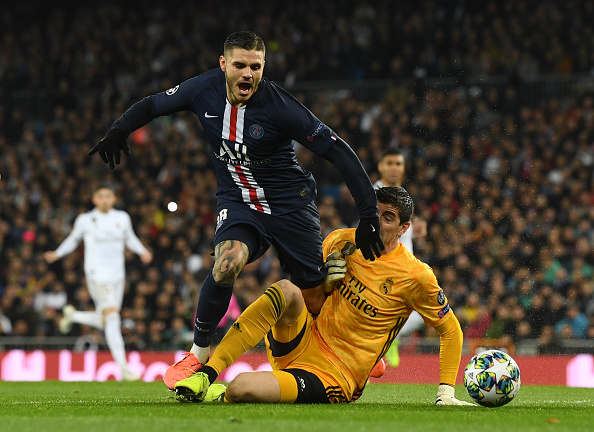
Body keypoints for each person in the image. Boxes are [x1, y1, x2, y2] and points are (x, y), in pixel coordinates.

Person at [88, 31, 384, 389]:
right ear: (223, 64)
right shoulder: (203, 90)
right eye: (240, 65)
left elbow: (338, 151)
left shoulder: (281, 107)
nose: (248, 74)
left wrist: (368, 214)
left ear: (263, 67)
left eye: (256, 67)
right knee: (226, 263)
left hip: (290, 205)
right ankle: (198, 354)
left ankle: (357, 344)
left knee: (314, 296)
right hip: (238, 201)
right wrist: (119, 129)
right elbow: (152, 105)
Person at [173, 187, 473, 406]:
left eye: (389, 218)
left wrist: (445, 393)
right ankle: (207, 374)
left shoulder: (415, 275)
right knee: (286, 289)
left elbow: (451, 330)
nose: (377, 222)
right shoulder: (341, 241)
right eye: (375, 213)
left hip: (335, 375)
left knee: (240, 388)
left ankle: (219, 394)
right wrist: (325, 286)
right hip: (304, 340)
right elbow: (310, 300)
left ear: (404, 228)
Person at [43, 184, 153, 381]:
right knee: (112, 317)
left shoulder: (122, 218)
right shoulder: (85, 220)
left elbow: (131, 239)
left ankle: (74, 315)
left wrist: (142, 251)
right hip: (96, 275)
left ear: (114, 199)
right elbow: (73, 240)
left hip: (117, 276)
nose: (104, 199)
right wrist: (57, 254)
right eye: (100, 196)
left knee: (108, 319)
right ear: (94, 199)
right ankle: (124, 367)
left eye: (108, 196)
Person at [373, 149, 427, 367]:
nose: (394, 167)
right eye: (390, 162)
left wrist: (417, 226)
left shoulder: (403, 194)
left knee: (423, 313)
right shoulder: (375, 194)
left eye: (398, 163)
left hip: (407, 266)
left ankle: (389, 337)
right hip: (386, 266)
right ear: (381, 167)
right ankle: (379, 345)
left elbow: (404, 227)